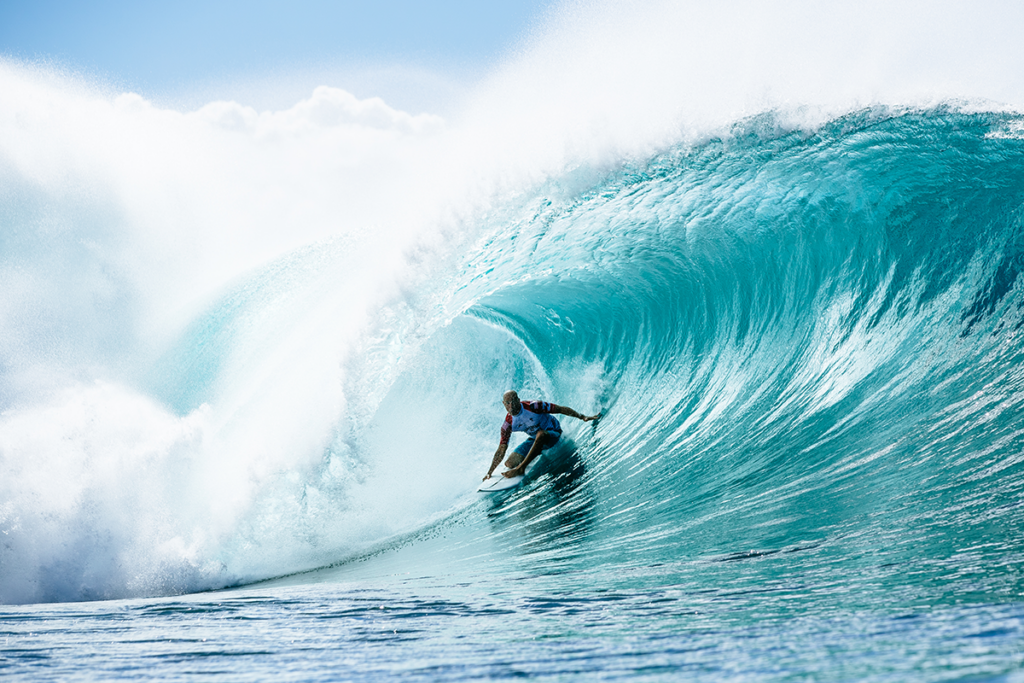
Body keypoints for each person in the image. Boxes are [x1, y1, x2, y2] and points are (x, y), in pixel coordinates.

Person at [483, 390, 601, 480]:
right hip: (534, 439)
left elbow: (560, 409)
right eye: (508, 403)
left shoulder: (534, 406)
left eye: (514, 401)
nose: (511, 406)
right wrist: (490, 472)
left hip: (553, 433)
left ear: (518, 400)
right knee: (509, 463)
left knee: (541, 434)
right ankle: (534, 452)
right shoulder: (507, 425)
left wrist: (582, 416)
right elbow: (501, 449)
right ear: (504, 404)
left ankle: (521, 468)